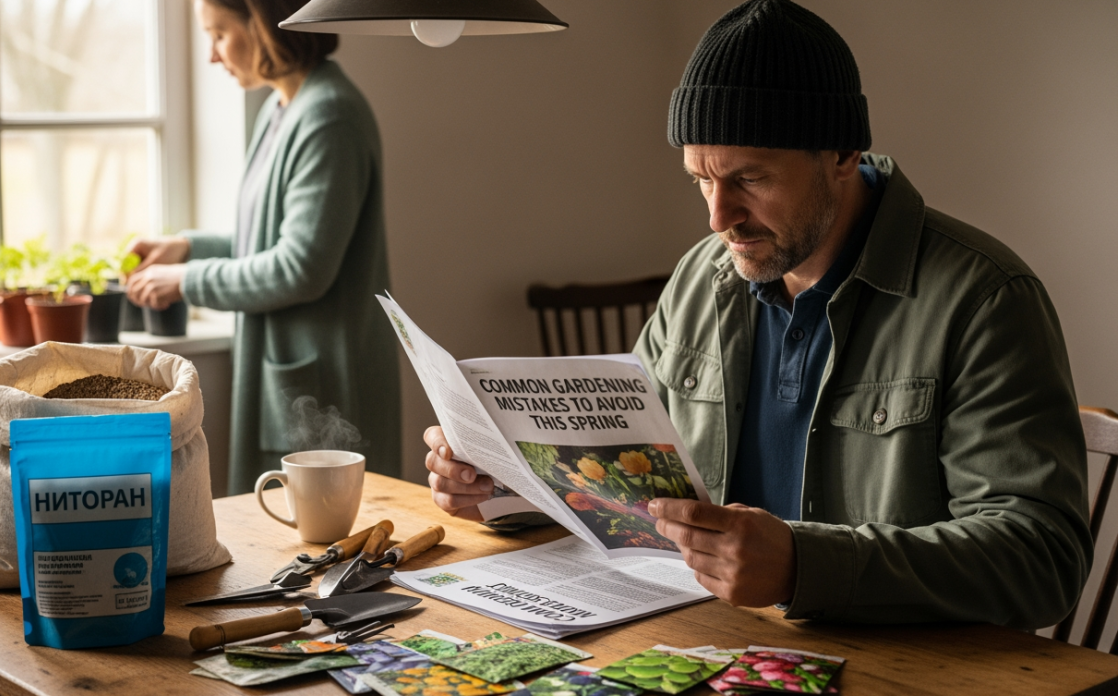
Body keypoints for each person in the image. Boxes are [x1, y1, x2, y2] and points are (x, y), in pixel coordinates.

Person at [421, 0, 1091, 630]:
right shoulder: (700, 279)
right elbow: (630, 492)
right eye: (702, 180)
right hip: (706, 639)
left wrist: (804, 566)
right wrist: (502, 490)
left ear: (842, 154)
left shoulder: (984, 299)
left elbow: (1042, 560)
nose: (719, 218)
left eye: (751, 179)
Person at [126, 0, 400, 494]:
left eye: (220, 34)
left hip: (329, 384)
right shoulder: (282, 108)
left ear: (265, 25)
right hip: (300, 376)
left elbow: (300, 267)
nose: (212, 56)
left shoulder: (328, 115)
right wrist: (187, 248)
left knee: (332, 549)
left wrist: (186, 281)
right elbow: (272, 237)